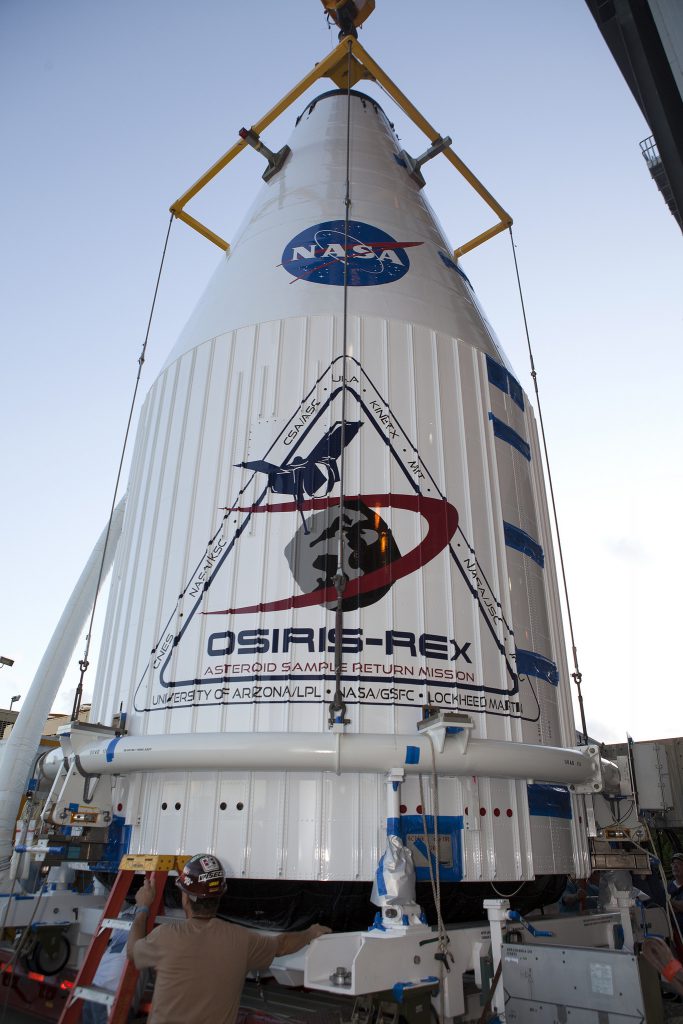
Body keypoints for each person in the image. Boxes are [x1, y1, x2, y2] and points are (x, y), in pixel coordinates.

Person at [126, 854, 330, 1024]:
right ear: (220, 897)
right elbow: (281, 945)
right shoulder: (241, 940)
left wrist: (143, 906)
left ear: (185, 898)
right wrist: (309, 933)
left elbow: (132, 951)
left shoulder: (165, 937)